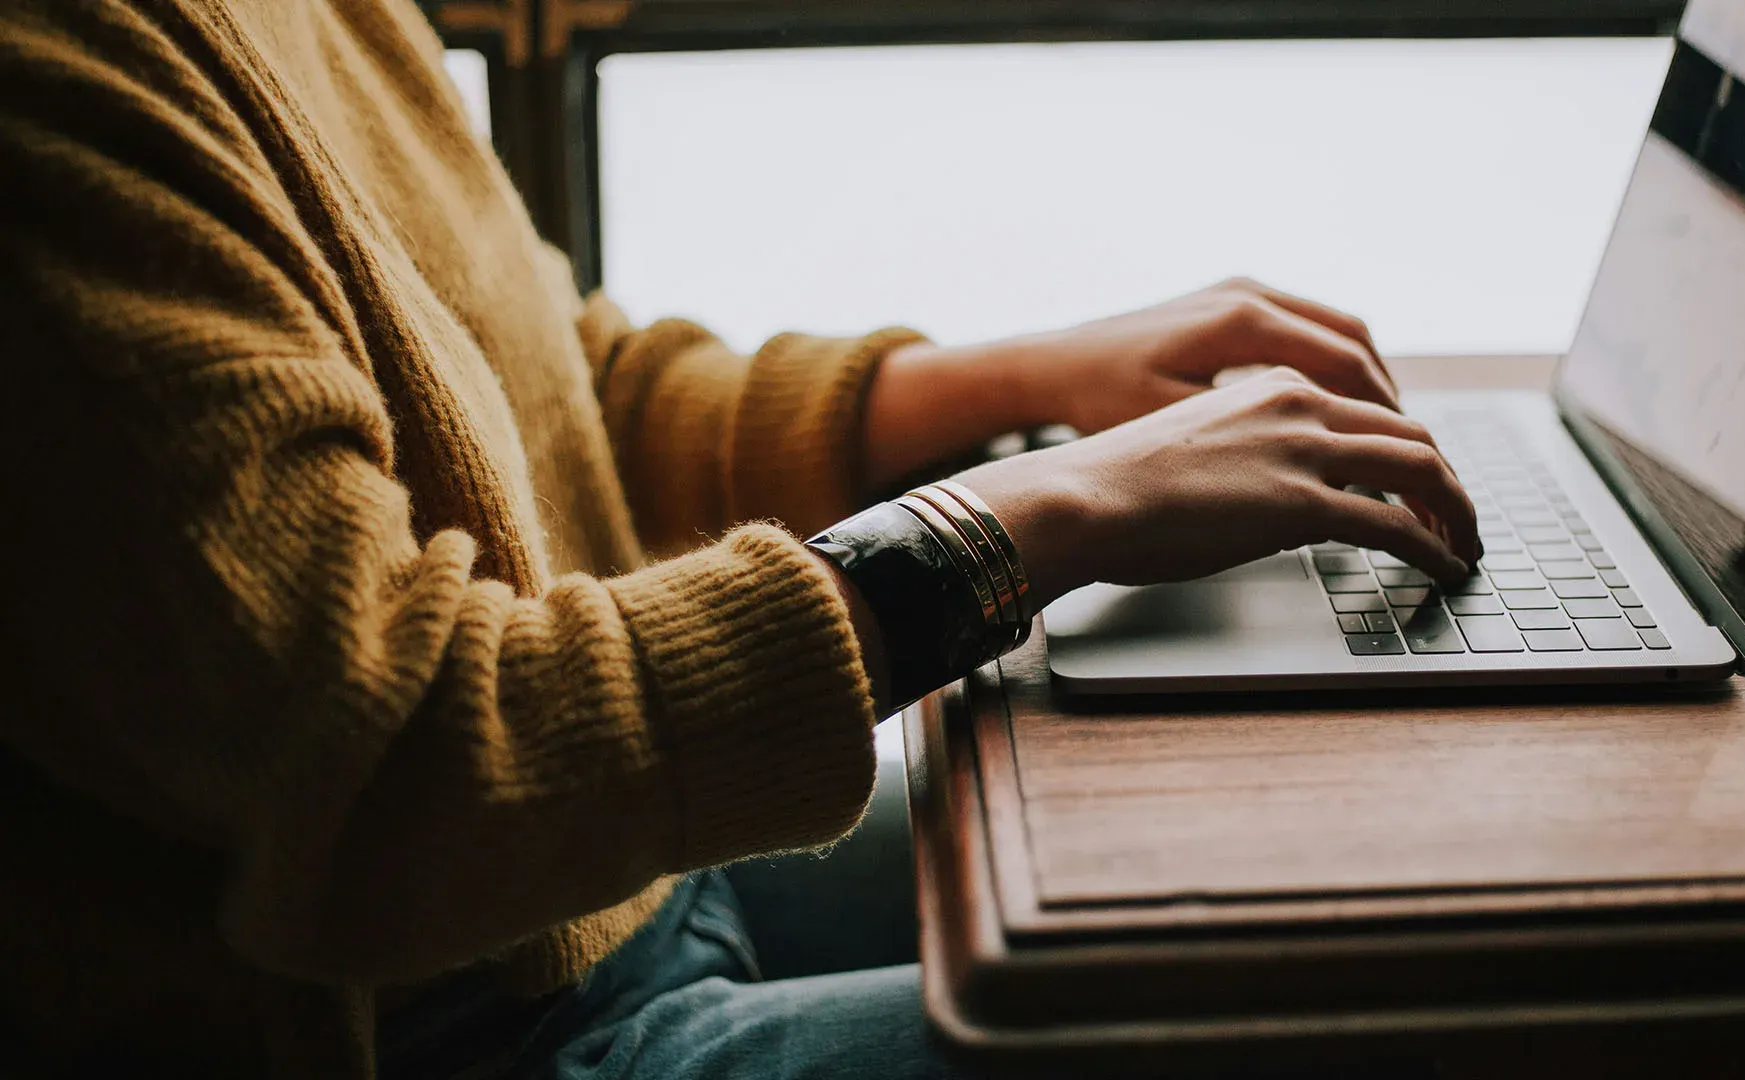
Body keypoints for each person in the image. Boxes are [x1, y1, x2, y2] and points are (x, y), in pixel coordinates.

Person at [0, 0, 1480, 1076]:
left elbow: (557, 393)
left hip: (603, 881)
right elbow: (399, 771)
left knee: (1354, 893)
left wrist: (1021, 381)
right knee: (1350, 1029)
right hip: (433, 1025)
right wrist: (1034, 516)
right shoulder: (50, 80)